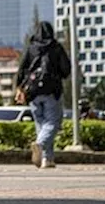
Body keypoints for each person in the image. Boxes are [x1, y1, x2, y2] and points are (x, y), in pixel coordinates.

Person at [14, 20, 72, 168]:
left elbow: (22, 68)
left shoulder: (31, 48)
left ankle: (47, 159)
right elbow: (66, 69)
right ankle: (40, 145)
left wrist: (19, 88)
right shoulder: (56, 47)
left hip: (32, 92)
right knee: (53, 122)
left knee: (42, 125)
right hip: (51, 90)